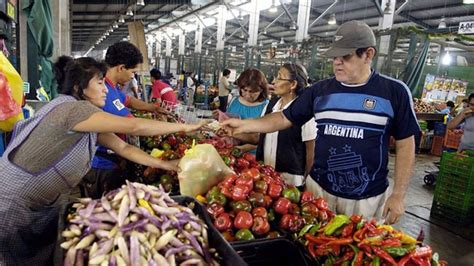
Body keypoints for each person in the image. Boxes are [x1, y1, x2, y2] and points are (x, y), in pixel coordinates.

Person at [0, 56, 207, 264]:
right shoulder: (74, 110)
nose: (106, 89)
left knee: (36, 253)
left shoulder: (86, 118)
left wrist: (165, 164)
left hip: (37, 200)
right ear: (78, 87)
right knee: (17, 256)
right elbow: (134, 126)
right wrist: (186, 127)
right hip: (15, 200)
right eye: (99, 83)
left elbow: (123, 147)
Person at [222, 20, 419, 224]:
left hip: (366, 198)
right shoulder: (319, 91)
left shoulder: (394, 93)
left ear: (368, 54)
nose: (337, 62)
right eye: (335, 57)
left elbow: (405, 143)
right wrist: (244, 125)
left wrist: (398, 194)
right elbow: (283, 117)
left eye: (346, 56)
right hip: (320, 192)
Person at [82, 41, 165, 199]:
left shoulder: (111, 87)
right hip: (103, 167)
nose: (133, 76)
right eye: (133, 71)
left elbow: (128, 100)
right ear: (121, 68)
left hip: (112, 160)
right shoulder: (103, 92)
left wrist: (152, 107)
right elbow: (134, 125)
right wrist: (183, 128)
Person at [256, 63, 316, 187]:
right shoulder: (271, 105)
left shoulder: (305, 112)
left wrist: (308, 183)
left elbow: (311, 152)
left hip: (290, 181)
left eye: (279, 77)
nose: (274, 81)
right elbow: (259, 135)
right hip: (265, 177)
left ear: (293, 84)